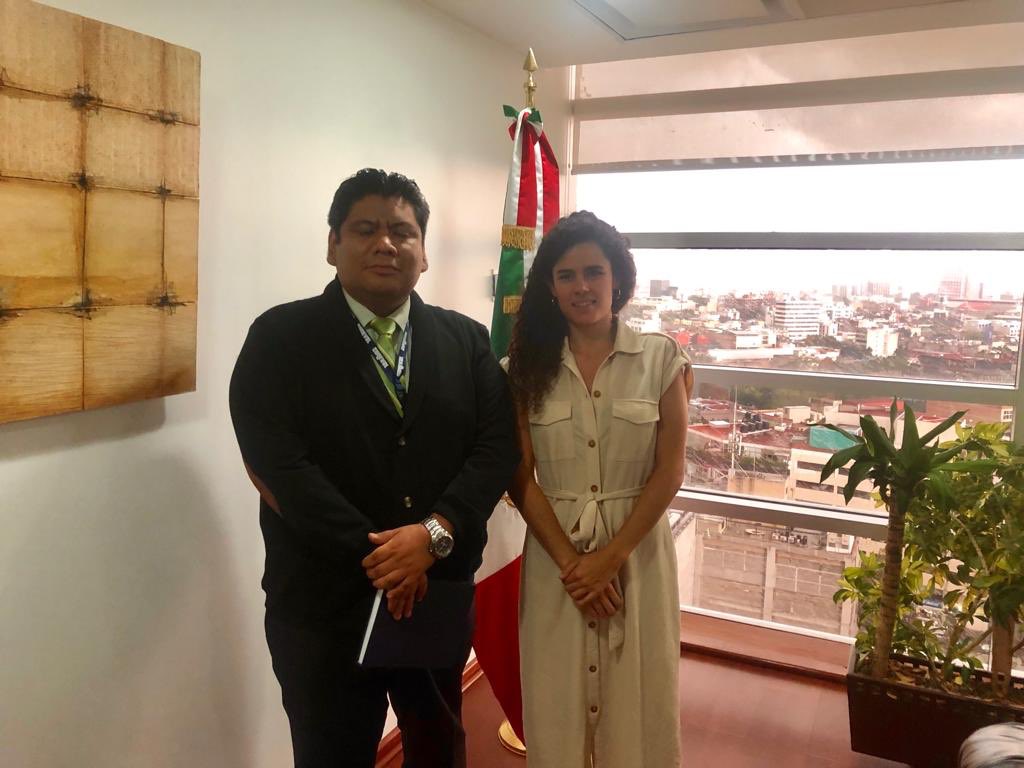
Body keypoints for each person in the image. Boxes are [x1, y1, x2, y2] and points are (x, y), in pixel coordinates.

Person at [229, 168, 519, 768]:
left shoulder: (467, 343)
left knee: (438, 749)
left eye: (402, 232)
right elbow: (277, 463)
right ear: (332, 244)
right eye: (365, 229)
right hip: (322, 606)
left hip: (436, 592)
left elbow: (495, 450)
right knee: (330, 753)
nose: (385, 243)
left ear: (423, 253)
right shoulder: (279, 338)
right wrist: (387, 559)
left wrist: (432, 536)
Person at [507, 211, 693, 767]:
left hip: (637, 556)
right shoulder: (522, 369)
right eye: (566, 275)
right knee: (556, 704)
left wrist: (609, 559)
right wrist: (575, 566)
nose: (582, 286)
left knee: (640, 702)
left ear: (618, 279)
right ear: (550, 285)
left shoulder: (661, 359)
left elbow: (670, 471)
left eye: (594, 272)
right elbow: (520, 476)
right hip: (555, 561)